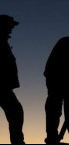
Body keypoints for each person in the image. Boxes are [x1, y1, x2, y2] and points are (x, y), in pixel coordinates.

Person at [0, 15, 25, 145]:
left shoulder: (3, 41)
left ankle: (17, 141)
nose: (12, 28)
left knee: (16, 113)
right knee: (16, 112)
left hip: (4, 87)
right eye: (10, 25)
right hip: (1, 86)